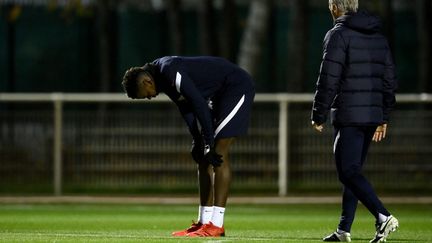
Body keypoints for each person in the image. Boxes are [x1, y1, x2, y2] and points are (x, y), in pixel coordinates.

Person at [122, 56, 255, 237]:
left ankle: (216, 224)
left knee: (217, 150)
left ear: (147, 81)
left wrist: (208, 142)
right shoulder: (160, 77)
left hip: (236, 87)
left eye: (146, 94)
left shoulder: (168, 70)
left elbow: (198, 103)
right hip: (218, 94)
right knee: (202, 156)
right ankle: (203, 222)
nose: (150, 97)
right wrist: (197, 140)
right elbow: (185, 106)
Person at [311, 0, 398, 242]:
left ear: (335, 7)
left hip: (349, 114)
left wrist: (319, 113)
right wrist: (383, 116)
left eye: (330, 4)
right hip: (371, 116)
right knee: (352, 171)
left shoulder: (337, 35)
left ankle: (383, 216)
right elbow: (389, 78)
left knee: (347, 171)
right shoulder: (378, 36)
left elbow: (329, 77)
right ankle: (343, 230)